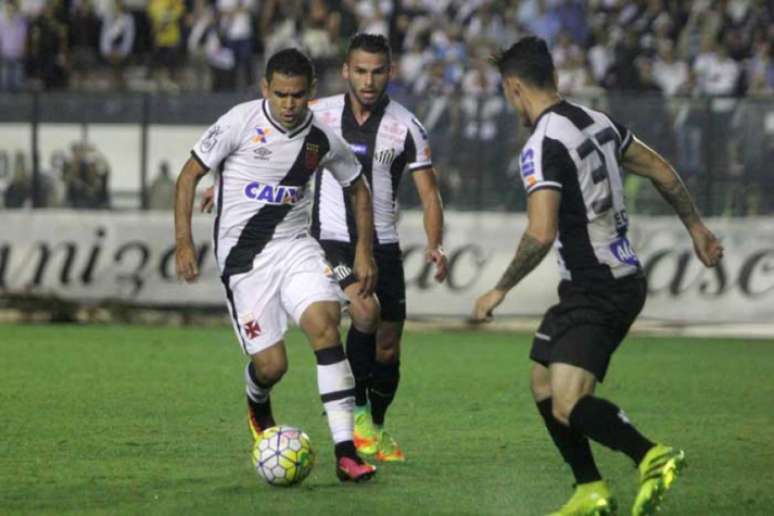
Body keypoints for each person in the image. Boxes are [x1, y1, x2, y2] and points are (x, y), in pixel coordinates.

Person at [471, 37, 723, 516]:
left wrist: (500, 287)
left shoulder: (542, 144)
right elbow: (662, 171)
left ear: (513, 88)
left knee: (568, 402)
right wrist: (697, 228)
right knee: (542, 380)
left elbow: (540, 233)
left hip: (597, 286)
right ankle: (589, 487)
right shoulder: (598, 122)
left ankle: (650, 453)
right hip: (619, 278)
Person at [201, 33, 448, 463]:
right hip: (328, 238)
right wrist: (220, 185)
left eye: (377, 71)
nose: (368, 81)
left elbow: (429, 193)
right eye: (360, 71)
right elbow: (262, 141)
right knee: (364, 313)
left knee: (388, 346)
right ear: (347, 71)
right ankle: (352, 420)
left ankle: (372, 423)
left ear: (389, 73)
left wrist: (434, 243)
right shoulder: (317, 112)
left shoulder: (407, 126)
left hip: (381, 242)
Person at [175, 48, 378, 482]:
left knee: (325, 324)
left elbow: (359, 188)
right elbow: (188, 175)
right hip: (243, 261)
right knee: (273, 366)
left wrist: (364, 252)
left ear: (311, 93)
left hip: (295, 248)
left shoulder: (321, 139)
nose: (288, 105)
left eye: (297, 96)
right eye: (280, 94)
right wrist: (184, 243)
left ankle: (346, 451)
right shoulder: (240, 122)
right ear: (265, 88)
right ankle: (257, 397)